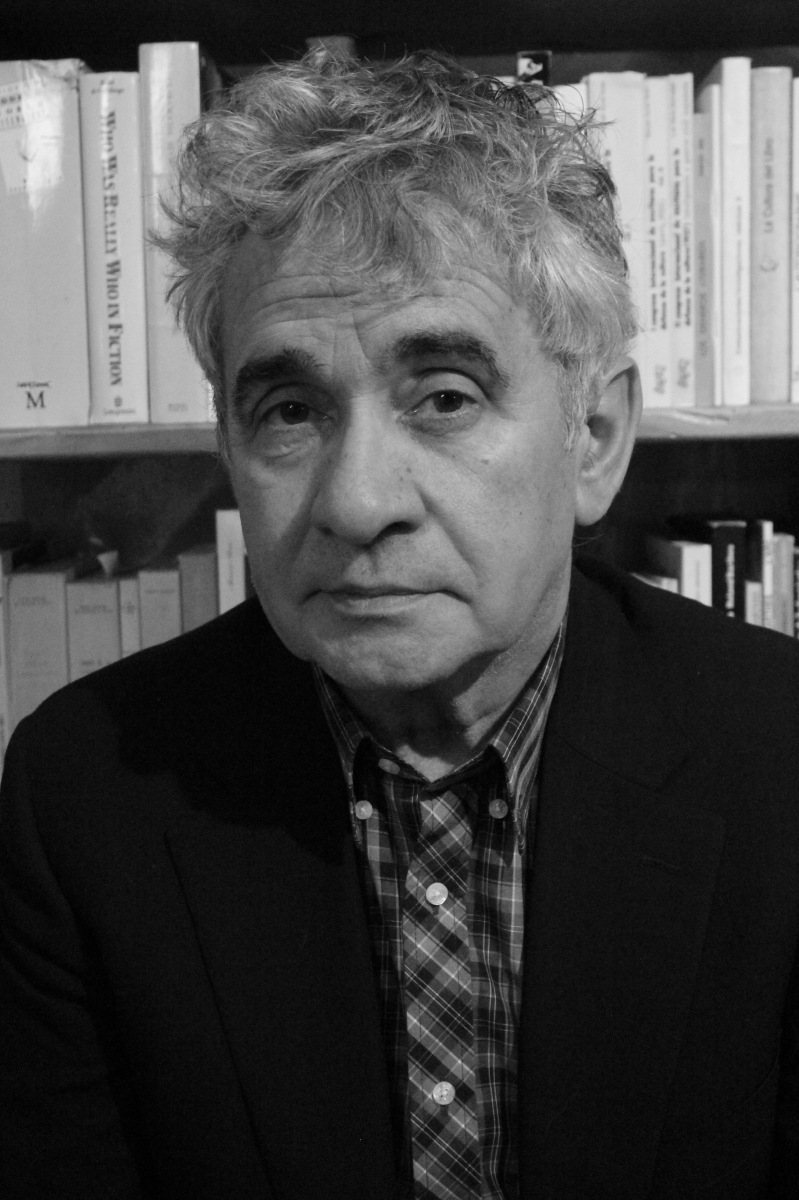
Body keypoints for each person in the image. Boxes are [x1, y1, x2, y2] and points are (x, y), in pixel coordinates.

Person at [0, 49, 797, 1200]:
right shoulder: (82, 798)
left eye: (444, 397)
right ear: (228, 446)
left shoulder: (782, 758)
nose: (356, 500)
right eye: (289, 409)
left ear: (592, 440)